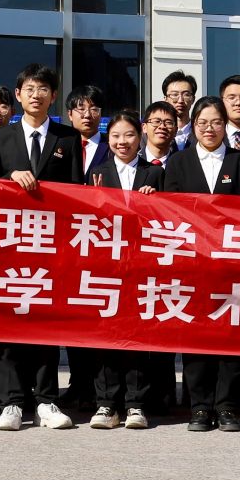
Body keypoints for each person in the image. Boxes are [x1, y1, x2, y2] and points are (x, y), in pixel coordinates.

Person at [164, 96, 240, 432]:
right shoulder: (178, 163)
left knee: (229, 336)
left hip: (232, 263)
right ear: (193, 126)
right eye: (202, 123)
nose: (209, 129)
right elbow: (171, 212)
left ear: (225, 126)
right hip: (192, 263)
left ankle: (227, 406)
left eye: (216, 122)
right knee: (195, 335)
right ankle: (199, 406)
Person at [0, 62, 81, 431]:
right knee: (9, 323)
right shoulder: (2, 137)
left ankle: (45, 400)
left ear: (53, 96)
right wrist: (8, 177)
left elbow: (77, 192)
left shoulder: (67, 138)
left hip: (50, 245)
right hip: (10, 243)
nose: (36, 95)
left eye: (43, 89)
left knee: (45, 323)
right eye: (29, 88)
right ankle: (11, 402)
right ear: (19, 94)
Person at [82, 111, 165, 429]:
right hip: (106, 265)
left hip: (142, 266)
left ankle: (135, 404)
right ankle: (106, 404)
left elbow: (170, 216)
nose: (122, 142)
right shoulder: (97, 173)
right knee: (106, 336)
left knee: (136, 337)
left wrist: (155, 200)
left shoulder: (154, 172)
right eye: (115, 136)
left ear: (140, 137)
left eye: (129, 135)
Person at [68, 84, 108, 175]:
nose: (87, 115)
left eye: (94, 109)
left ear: (101, 113)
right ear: (70, 114)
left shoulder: (111, 146)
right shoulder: (61, 145)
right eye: (81, 109)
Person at [161, 70, 198, 146]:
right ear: (165, 99)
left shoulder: (200, 132)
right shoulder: (157, 131)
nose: (180, 100)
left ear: (193, 99)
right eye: (175, 95)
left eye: (186, 95)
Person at [140, 101, 179, 166]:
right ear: (144, 127)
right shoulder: (132, 162)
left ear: (176, 131)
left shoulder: (182, 165)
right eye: (156, 121)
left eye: (168, 122)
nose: (162, 126)